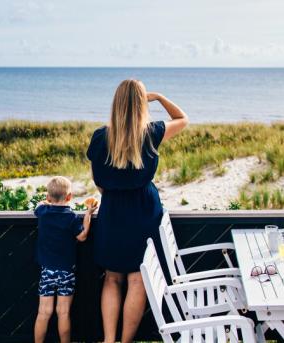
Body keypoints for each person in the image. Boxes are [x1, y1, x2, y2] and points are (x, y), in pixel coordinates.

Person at [87, 79, 188, 343]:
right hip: (143, 211)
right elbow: (183, 118)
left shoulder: (101, 137)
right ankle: (125, 340)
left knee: (111, 279)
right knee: (137, 280)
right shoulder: (151, 133)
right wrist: (160, 97)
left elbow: (98, 181)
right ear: (141, 104)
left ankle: (109, 340)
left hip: (112, 212)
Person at [33, 176, 98, 343]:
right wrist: (88, 214)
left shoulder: (43, 213)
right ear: (69, 197)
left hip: (47, 270)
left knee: (43, 312)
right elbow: (82, 236)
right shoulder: (70, 217)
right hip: (66, 271)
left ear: (48, 197)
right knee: (63, 312)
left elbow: (38, 206)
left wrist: (45, 202)